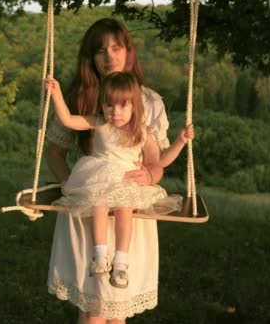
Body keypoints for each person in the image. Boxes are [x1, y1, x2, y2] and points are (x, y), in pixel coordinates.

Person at [46, 18, 187, 323]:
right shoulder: (82, 97)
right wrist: (76, 187)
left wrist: (150, 176)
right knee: (92, 308)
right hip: (89, 209)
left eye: (116, 47)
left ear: (128, 52)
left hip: (130, 210)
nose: (109, 56)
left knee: (117, 309)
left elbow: (156, 162)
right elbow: (55, 153)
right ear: (90, 58)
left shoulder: (148, 101)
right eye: (100, 50)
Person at [44, 72, 192, 291]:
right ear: (102, 105)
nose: (116, 112)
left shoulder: (142, 131)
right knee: (100, 203)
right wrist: (56, 94)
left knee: (125, 208)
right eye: (109, 106)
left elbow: (161, 160)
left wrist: (181, 142)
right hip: (99, 176)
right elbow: (68, 120)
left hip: (126, 180)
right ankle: (100, 256)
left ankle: (121, 263)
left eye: (123, 106)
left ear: (135, 106)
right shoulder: (99, 123)